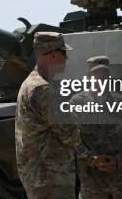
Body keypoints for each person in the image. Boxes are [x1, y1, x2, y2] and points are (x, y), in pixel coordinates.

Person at [15, 32, 78, 199]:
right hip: (50, 177)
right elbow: (69, 134)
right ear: (53, 55)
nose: (66, 59)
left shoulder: (31, 83)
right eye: (64, 53)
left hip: (40, 174)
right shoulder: (44, 89)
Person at [70, 56, 122, 199]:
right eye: (97, 75)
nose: (101, 79)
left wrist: (118, 159)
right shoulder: (77, 103)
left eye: (105, 75)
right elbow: (73, 138)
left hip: (120, 177)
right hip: (91, 178)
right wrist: (92, 159)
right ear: (89, 77)